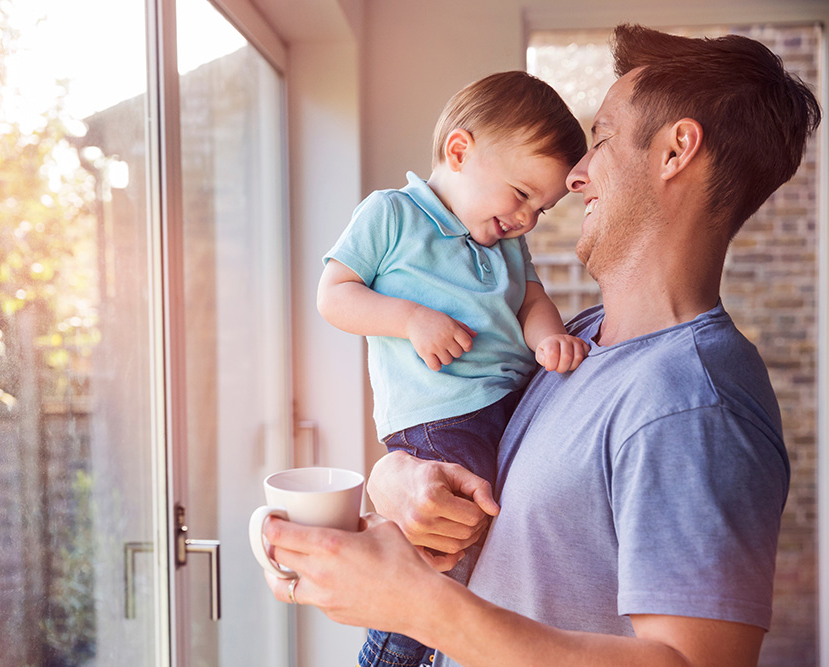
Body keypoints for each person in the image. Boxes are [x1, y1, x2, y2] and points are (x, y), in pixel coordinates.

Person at [263, 23, 821, 667]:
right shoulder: (577, 342)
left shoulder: (695, 404)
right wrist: (399, 479)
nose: (576, 175)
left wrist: (418, 606)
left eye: (602, 139)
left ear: (676, 152)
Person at [317, 71, 589, 666]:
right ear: (459, 151)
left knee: (495, 540)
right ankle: (388, 655)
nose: (526, 219)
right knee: (448, 548)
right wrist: (411, 318)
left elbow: (532, 302)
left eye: (541, 208)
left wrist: (550, 340)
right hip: (441, 418)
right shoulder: (391, 215)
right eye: (521, 194)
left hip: (508, 407)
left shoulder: (509, 246)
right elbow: (334, 294)